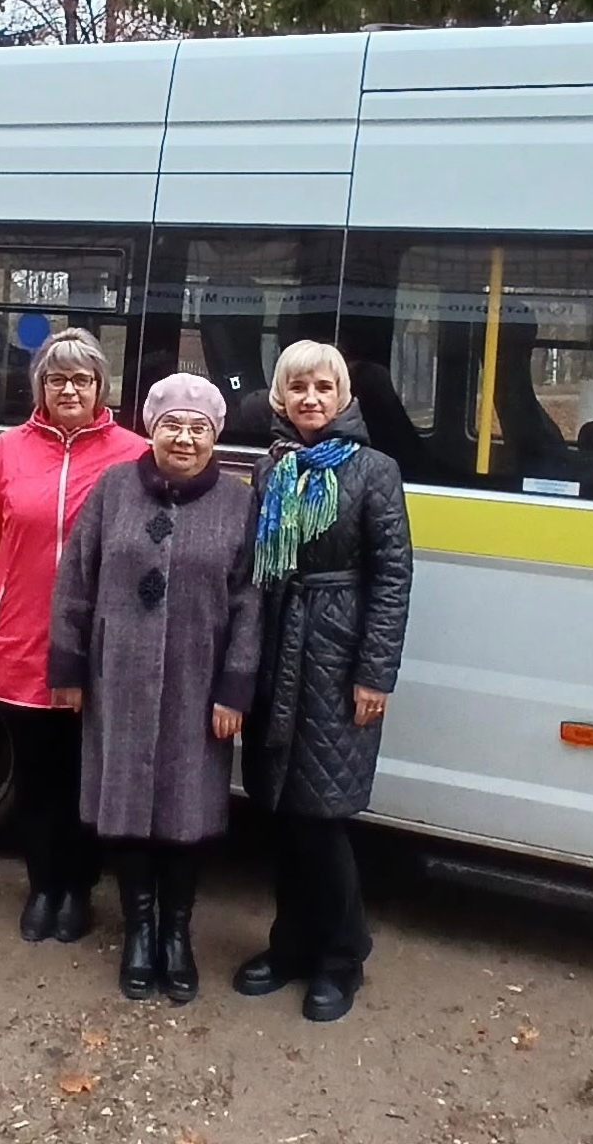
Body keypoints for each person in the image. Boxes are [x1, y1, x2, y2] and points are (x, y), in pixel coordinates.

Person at [49, 374, 260, 1003]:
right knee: (124, 806)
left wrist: (235, 689)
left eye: (198, 428)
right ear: (151, 429)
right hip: (118, 677)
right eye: (172, 425)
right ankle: (139, 930)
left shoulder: (239, 503)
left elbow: (250, 601)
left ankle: (176, 934)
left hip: (200, 682)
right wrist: (68, 669)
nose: (185, 438)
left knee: (186, 808)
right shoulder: (114, 488)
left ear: (214, 436)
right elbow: (75, 580)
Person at [235, 340, 414, 1023]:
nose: (311, 398)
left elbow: (392, 578)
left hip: (335, 657)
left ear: (343, 396)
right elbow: (255, 566)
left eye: (323, 387)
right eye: (298, 386)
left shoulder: (374, 471)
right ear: (281, 396)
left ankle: (342, 957)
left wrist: (374, 672)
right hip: (277, 644)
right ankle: (289, 946)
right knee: (281, 813)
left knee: (322, 817)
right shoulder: (271, 468)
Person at [0, 327, 146, 943]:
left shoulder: (134, 454)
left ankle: (79, 889)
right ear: (39, 386)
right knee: (36, 778)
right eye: (57, 379)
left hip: (99, 648)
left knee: (86, 779)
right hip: (22, 639)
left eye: (82, 379)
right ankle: (43, 886)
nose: (69, 390)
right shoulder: (9, 449)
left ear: (100, 387)